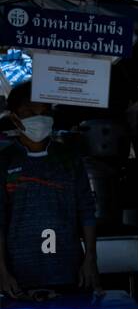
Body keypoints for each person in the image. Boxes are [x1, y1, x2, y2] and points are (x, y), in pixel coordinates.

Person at [0, 81, 99, 297]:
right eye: (29, 112)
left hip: (68, 271)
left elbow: (87, 210)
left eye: (43, 111)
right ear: (15, 117)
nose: (38, 118)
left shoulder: (69, 158)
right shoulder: (5, 161)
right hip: (19, 276)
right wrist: (2, 271)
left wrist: (90, 258)